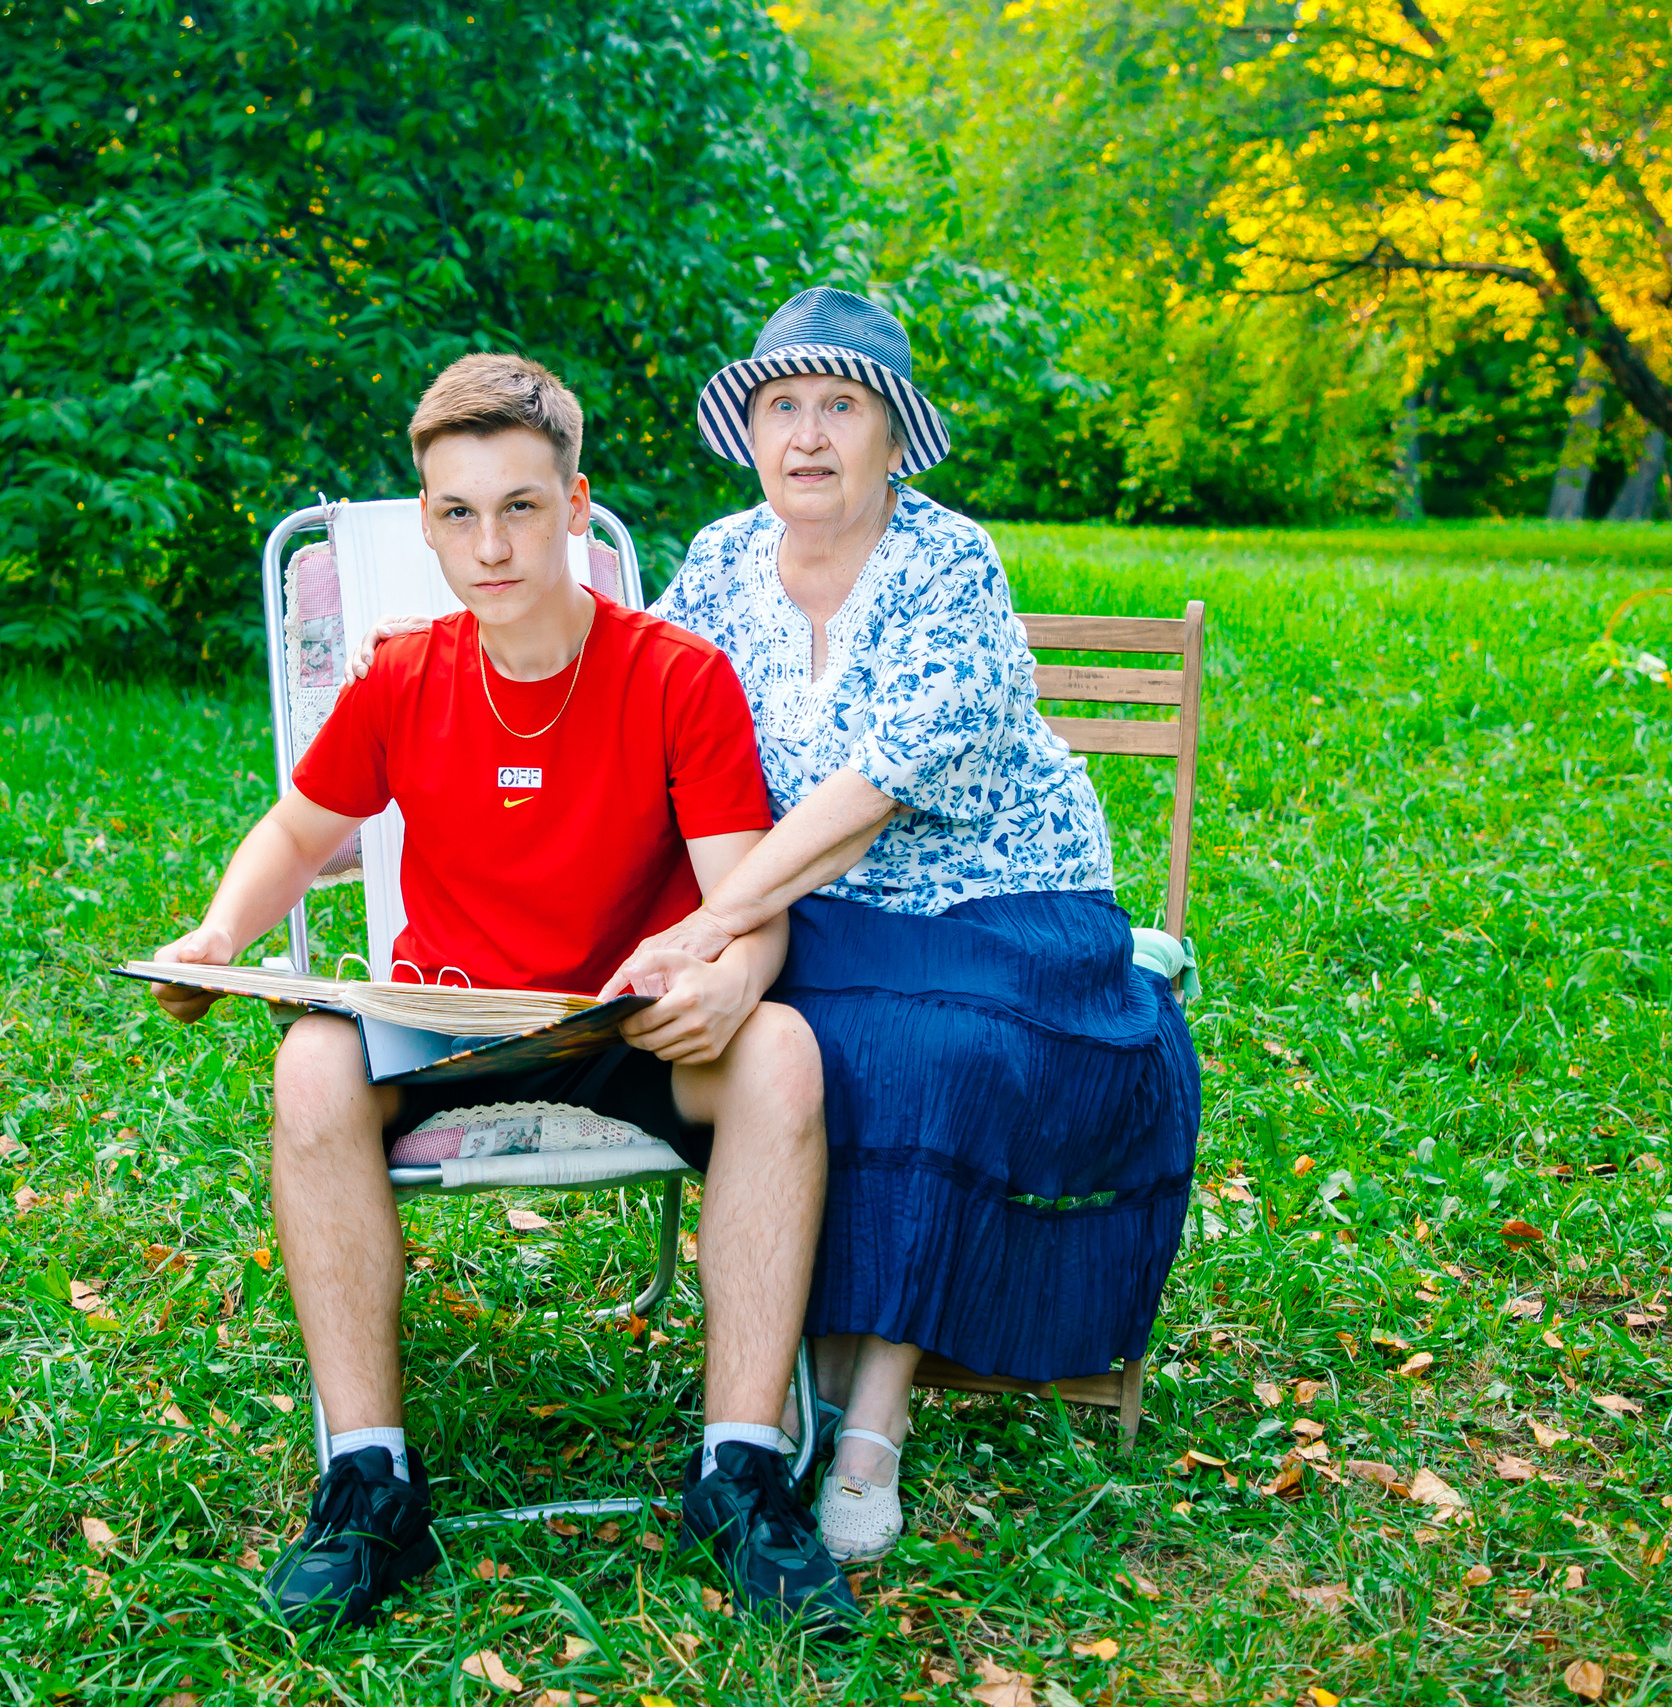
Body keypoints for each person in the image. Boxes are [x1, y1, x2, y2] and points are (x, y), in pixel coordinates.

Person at [351, 291, 1201, 1566]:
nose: (807, 435)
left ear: (893, 438)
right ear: (749, 434)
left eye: (841, 407)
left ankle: (869, 1420)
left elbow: (869, 799)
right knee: (793, 1041)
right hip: (813, 907)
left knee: (921, 1054)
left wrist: (709, 924)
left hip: (992, 897)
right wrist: (449, 669)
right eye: (781, 406)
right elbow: (632, 716)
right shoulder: (719, 562)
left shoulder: (949, 562)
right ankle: (798, 1370)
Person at [149, 353, 858, 1635]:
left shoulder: (676, 674)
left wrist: (732, 984)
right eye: (458, 513)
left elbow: (747, 902)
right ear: (427, 521)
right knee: (311, 1060)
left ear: (575, 507)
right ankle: (368, 1480)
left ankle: (742, 1472)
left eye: (521, 507)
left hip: (625, 1023)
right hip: (450, 1019)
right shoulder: (401, 675)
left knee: (784, 1050)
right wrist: (215, 931)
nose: (490, 546)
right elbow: (298, 835)